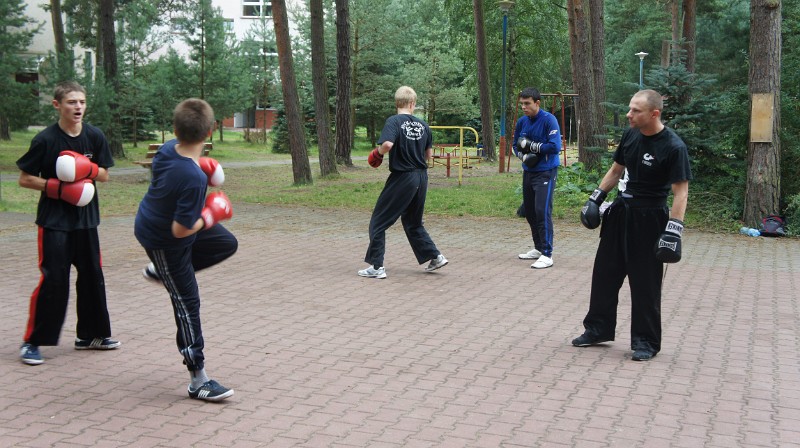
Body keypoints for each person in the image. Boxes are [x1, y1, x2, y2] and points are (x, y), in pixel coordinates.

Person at [572, 89, 692, 361]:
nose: (629, 114)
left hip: (650, 218)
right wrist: (595, 198)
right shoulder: (630, 135)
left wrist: (674, 230)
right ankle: (597, 329)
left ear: (654, 113)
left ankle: (646, 342)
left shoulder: (673, 147)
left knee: (645, 283)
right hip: (620, 213)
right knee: (604, 275)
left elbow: (681, 193)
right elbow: (616, 170)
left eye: (636, 111)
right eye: (630, 108)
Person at [134, 98, 238, 401]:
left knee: (225, 243)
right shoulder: (191, 178)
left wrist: (202, 166)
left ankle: (161, 272)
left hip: (156, 221)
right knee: (187, 302)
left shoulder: (168, 149)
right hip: (164, 240)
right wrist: (211, 214)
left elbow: (173, 171)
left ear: (175, 129)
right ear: (211, 131)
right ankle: (198, 380)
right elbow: (180, 230)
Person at [16, 81, 120, 366]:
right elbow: (25, 178)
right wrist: (58, 188)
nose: (78, 107)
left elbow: (105, 175)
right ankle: (32, 342)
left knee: (92, 276)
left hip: (86, 220)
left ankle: (91, 335)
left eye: (82, 102)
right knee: (54, 280)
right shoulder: (46, 140)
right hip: (54, 221)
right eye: (72, 102)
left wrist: (88, 168)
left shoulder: (94, 136)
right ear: (57, 105)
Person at [358, 86, 448, 279]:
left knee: (378, 221)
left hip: (403, 177)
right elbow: (429, 156)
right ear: (412, 103)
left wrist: (377, 153)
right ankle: (435, 256)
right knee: (413, 222)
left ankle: (377, 267)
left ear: (397, 103)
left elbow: (387, 144)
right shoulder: (424, 125)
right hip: (421, 176)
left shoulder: (393, 121)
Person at [512, 87, 562, 269]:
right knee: (530, 212)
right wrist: (523, 156)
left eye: (527, 103)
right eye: (522, 104)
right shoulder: (522, 122)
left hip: (546, 171)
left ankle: (547, 254)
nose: (524, 107)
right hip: (529, 171)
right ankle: (539, 248)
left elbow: (555, 146)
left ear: (537, 103)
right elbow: (515, 145)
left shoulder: (549, 120)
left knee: (542, 211)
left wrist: (532, 146)